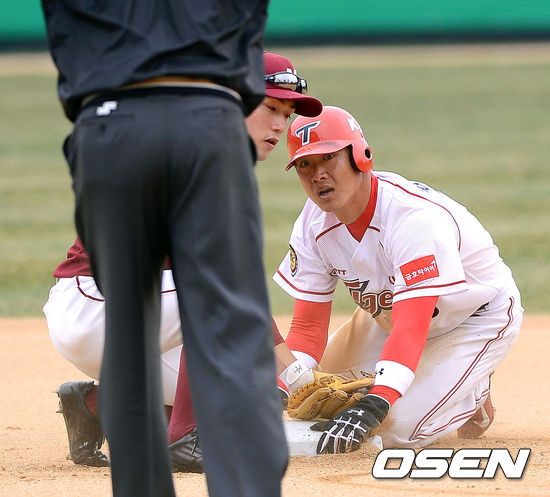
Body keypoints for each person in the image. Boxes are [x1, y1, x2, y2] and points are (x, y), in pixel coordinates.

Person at [40, 2, 290, 496]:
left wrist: (89, 101)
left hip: (107, 118)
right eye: (274, 109)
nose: (281, 125)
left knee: (130, 340)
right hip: (206, 114)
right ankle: (220, 463)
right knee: (232, 328)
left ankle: (114, 439)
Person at [273, 105, 523, 453]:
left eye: (328, 157)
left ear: (359, 156)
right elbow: (307, 328)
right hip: (391, 312)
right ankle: (433, 381)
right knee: (318, 392)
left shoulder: (411, 218)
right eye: (305, 164)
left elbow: (411, 328)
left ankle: (472, 389)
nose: (317, 174)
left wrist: (378, 401)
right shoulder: (313, 222)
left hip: (473, 318)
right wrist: (281, 387)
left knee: (392, 428)